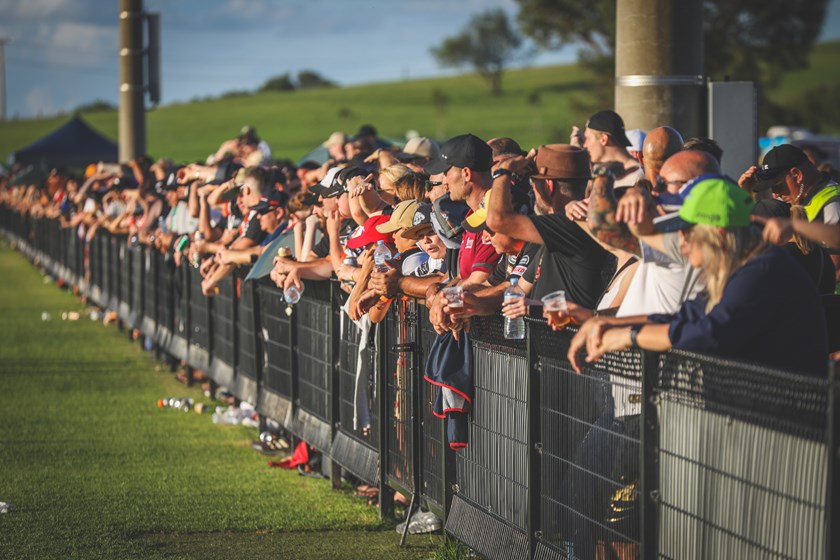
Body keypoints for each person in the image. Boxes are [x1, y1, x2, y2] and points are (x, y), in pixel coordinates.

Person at [570, 175, 828, 376]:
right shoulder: (738, 270)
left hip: (789, 431)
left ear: (718, 231)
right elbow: (686, 316)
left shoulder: (763, 270)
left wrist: (628, 336)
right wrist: (606, 324)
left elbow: (709, 334)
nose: (680, 239)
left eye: (687, 230)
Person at [739, 143, 840, 283]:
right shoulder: (799, 197)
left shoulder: (832, 204)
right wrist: (744, 194)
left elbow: (833, 268)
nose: (775, 194)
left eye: (778, 185)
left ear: (796, 175)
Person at [573, 110, 644, 188]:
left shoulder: (635, 178)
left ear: (604, 139)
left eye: (588, 139)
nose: (585, 145)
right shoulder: (605, 173)